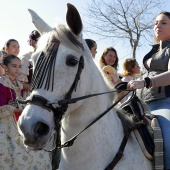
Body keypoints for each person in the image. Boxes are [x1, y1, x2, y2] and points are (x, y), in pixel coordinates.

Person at [128, 11, 170, 169]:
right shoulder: (153, 51)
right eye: (156, 23)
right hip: (140, 104)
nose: (157, 25)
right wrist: (126, 83)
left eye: (163, 23)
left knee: (168, 142)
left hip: (164, 104)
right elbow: (143, 78)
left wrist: (147, 81)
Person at [0, 54, 51, 169]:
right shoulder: (2, 83)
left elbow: (21, 100)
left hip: (19, 119)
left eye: (19, 66)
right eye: (14, 66)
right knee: (8, 150)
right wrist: (16, 109)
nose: (17, 69)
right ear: (5, 67)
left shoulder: (19, 83)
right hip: (6, 122)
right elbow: (1, 108)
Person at [18, 30, 41, 94]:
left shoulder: (49, 57)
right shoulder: (26, 57)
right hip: (29, 94)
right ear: (33, 42)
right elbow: (20, 83)